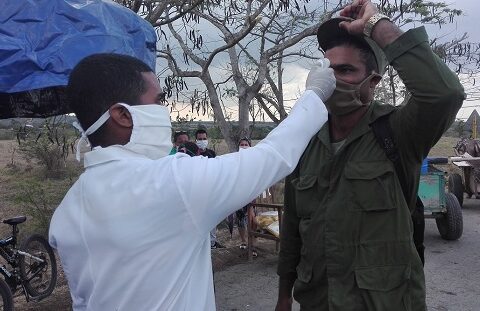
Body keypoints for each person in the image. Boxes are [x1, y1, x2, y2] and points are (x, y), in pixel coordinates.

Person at [48, 52, 336, 310]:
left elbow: (84, 302)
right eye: (158, 101)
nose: (165, 111)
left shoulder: (69, 208)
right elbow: (271, 156)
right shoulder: (170, 183)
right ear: (123, 115)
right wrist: (313, 94)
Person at [276, 1, 465, 310]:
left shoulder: (399, 132)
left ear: (374, 81)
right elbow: (294, 228)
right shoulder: (306, 139)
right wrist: (284, 296)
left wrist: (376, 24)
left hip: (384, 302)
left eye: (346, 70)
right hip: (318, 302)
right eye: (327, 70)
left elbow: (444, 94)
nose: (331, 80)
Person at [194, 128, 223, 248]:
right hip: (197, 191)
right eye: (200, 139)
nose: (202, 141)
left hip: (211, 190)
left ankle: (212, 242)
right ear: (195, 140)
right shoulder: (193, 154)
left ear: (207, 139)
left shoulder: (212, 154)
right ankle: (200, 243)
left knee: (212, 217)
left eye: (204, 139)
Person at [234, 137, 256, 254]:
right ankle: (243, 241)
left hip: (251, 195)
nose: (243, 146)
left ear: (250, 146)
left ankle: (252, 245)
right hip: (239, 194)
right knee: (240, 220)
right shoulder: (235, 160)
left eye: (246, 144)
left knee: (251, 220)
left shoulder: (254, 161)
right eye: (241, 144)